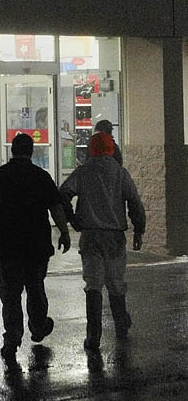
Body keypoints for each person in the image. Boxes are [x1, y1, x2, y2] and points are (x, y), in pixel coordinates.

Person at [0, 133, 71, 364]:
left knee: (11, 292)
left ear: (12, 151)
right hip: (36, 244)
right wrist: (65, 233)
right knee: (35, 286)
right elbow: (56, 207)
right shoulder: (40, 176)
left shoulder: (0, 176)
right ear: (31, 151)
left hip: (8, 244)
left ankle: (12, 337)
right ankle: (38, 326)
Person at [59, 131, 145, 352]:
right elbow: (135, 203)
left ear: (91, 149)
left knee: (93, 286)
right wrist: (138, 231)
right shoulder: (120, 173)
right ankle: (121, 326)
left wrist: (73, 220)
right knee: (116, 284)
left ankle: (93, 336)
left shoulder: (83, 172)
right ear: (111, 149)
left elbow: (63, 194)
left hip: (90, 236)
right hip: (115, 237)